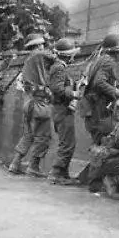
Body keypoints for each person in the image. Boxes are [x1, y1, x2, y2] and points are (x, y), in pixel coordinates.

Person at [76, 33, 119, 190]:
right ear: (115, 51)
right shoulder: (108, 61)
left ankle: (88, 179)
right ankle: (94, 183)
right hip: (98, 109)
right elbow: (99, 82)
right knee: (103, 143)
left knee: (99, 142)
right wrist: (115, 92)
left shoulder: (99, 60)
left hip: (93, 108)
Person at [7, 33, 56, 177]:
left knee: (28, 135)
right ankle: (34, 166)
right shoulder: (39, 55)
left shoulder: (29, 60)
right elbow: (55, 57)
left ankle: (15, 163)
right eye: (43, 44)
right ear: (39, 44)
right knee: (43, 137)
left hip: (29, 102)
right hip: (40, 104)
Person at [47, 38, 82, 185]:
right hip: (62, 110)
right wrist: (74, 93)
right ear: (68, 55)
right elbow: (57, 88)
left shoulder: (58, 67)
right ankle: (56, 173)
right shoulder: (59, 68)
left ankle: (63, 173)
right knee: (67, 143)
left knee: (68, 142)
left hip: (61, 109)